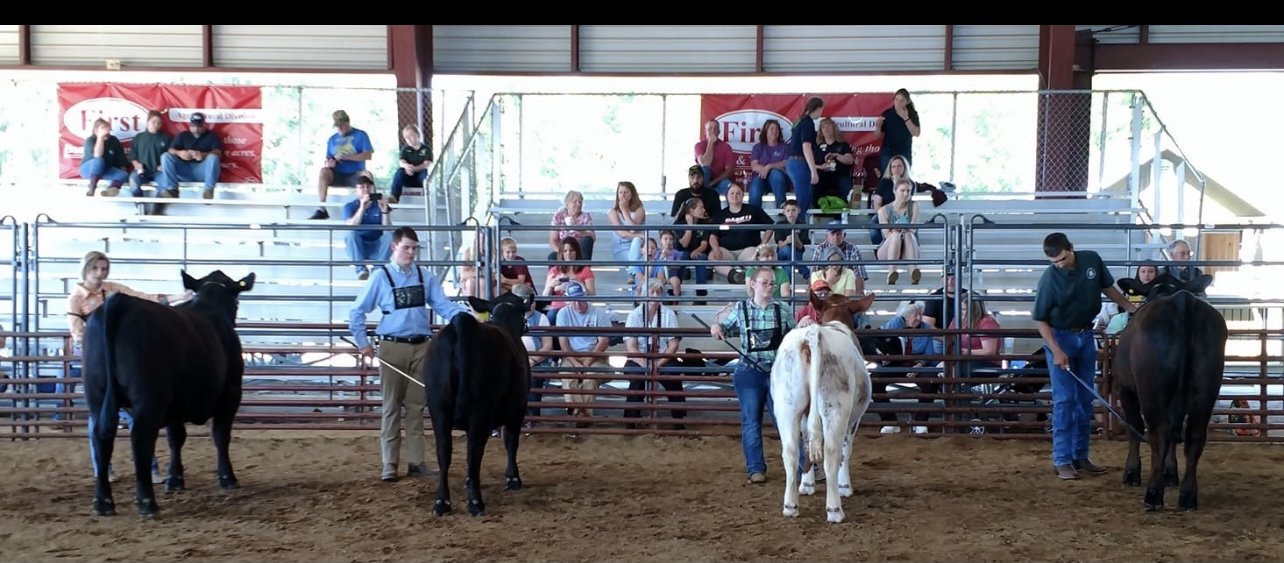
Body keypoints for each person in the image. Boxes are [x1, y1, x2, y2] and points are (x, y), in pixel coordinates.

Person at [348, 227, 469, 482]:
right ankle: (389, 463)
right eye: (407, 247)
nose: (412, 253)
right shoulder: (380, 277)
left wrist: (463, 318)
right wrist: (362, 342)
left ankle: (416, 461)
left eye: (415, 248)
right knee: (391, 405)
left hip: (421, 347)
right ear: (394, 247)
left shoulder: (426, 277)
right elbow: (357, 311)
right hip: (392, 347)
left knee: (416, 406)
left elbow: (443, 305)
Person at [67, 251, 191, 484]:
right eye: (96, 269)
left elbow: (142, 297)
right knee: (101, 417)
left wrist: (176, 298)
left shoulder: (112, 289)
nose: (100, 273)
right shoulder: (76, 298)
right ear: (86, 269)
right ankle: (103, 469)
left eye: (104, 269)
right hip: (96, 360)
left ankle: (148, 468)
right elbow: (78, 334)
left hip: (120, 359)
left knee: (137, 415)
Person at [1032, 232, 1136, 481]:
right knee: (1065, 399)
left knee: (1085, 398)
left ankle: (1080, 455)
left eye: (1063, 258)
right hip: (1059, 337)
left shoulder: (1091, 261)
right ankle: (1062, 459)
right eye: (1055, 261)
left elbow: (1107, 287)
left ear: (1071, 249)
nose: (1060, 264)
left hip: (1085, 334)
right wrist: (1056, 350)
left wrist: (1131, 307)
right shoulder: (1050, 279)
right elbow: (1040, 321)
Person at [711, 266, 806, 484]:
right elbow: (724, 329)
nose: (769, 287)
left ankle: (804, 466)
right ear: (753, 284)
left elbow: (793, 337)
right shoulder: (740, 308)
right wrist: (716, 327)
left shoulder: (782, 310)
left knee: (786, 421)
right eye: (765, 282)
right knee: (752, 421)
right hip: (749, 372)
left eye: (772, 283)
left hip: (776, 372)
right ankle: (755, 468)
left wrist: (802, 326)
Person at [622, 279, 694, 429]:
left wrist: (657, 363)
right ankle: (631, 419)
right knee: (636, 377)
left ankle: (678, 418)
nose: (655, 295)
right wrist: (645, 364)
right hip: (639, 357)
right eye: (651, 292)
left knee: (673, 375)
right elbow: (631, 346)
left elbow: (673, 345)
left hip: (663, 356)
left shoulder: (669, 314)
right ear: (643, 295)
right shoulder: (634, 315)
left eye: (658, 292)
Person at [555, 281, 614, 425]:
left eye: (580, 299)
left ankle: (577, 413)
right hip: (573, 356)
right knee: (570, 377)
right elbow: (563, 344)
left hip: (595, 356)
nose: (577, 303)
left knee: (587, 379)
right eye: (573, 300)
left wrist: (588, 361)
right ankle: (583, 414)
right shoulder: (563, 313)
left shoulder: (598, 313)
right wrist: (577, 363)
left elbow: (603, 342)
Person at [312, 110, 374, 220]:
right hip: (337, 174)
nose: (340, 129)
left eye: (342, 126)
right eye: (338, 127)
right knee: (323, 171)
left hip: (356, 174)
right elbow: (327, 159)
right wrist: (330, 163)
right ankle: (322, 208)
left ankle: (371, 206)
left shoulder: (361, 135)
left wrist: (349, 157)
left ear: (348, 123)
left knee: (367, 175)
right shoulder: (332, 139)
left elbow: (368, 155)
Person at [510, 284, 552, 427]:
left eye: (533, 301)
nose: (531, 304)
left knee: (533, 377)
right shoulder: (507, 317)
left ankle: (531, 418)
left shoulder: (541, 318)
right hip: (511, 360)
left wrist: (533, 359)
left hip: (535, 361)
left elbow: (547, 346)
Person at [157, 112, 223, 200]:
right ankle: (172, 190)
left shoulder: (212, 136)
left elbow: (218, 152)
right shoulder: (183, 135)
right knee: (166, 156)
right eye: (194, 126)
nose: (196, 129)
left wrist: (203, 155)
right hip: (184, 170)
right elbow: (171, 150)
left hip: (202, 171)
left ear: (204, 125)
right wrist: (180, 153)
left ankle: (208, 191)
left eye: (199, 126)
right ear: (190, 125)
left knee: (213, 158)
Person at [342, 172, 392, 280]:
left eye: (368, 187)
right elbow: (351, 226)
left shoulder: (378, 204)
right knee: (350, 233)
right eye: (362, 187)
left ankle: (377, 270)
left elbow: (387, 228)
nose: (365, 189)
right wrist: (362, 208)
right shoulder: (349, 206)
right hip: (359, 246)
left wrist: (384, 211)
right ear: (356, 189)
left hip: (377, 244)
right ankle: (361, 270)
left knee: (390, 236)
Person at [876, 178, 922, 285]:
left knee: (908, 234)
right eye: (902, 191)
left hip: (909, 247)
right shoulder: (883, 211)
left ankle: (913, 271)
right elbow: (886, 234)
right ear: (895, 191)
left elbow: (913, 229)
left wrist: (903, 228)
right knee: (895, 235)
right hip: (889, 248)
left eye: (908, 191)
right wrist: (896, 229)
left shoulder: (915, 206)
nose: (906, 194)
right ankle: (892, 272)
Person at [785, 96, 824, 212]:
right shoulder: (808, 123)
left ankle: (801, 228)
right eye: (821, 110)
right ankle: (800, 228)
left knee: (804, 197)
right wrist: (814, 171)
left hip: (794, 162)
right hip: (799, 163)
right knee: (803, 200)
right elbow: (806, 147)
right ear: (818, 108)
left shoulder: (799, 122)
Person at [122, 110, 171, 198]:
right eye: (154, 122)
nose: (156, 125)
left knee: (165, 188)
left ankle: (156, 209)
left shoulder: (165, 138)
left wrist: (164, 166)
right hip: (142, 171)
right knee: (133, 182)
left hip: (159, 172)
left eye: (159, 123)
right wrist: (136, 164)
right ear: (147, 122)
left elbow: (170, 155)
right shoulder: (139, 138)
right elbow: (132, 155)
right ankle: (141, 208)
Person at [607, 181, 647, 283]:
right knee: (637, 239)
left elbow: (633, 228)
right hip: (621, 249)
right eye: (620, 192)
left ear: (632, 194)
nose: (623, 195)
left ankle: (631, 273)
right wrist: (637, 235)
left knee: (637, 241)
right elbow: (622, 234)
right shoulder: (612, 212)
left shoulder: (639, 210)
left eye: (626, 192)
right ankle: (635, 273)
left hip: (639, 249)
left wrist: (624, 210)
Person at [875, 88, 921, 174]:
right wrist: (878, 126)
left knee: (903, 179)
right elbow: (878, 136)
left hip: (904, 151)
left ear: (907, 102)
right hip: (888, 151)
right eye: (896, 100)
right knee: (886, 179)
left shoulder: (912, 113)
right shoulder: (887, 114)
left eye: (901, 100)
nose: (898, 103)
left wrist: (905, 118)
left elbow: (916, 133)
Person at [747, 119, 791, 208]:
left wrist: (770, 166)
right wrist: (764, 169)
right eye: (771, 129)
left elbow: (786, 163)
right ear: (765, 132)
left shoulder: (785, 147)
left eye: (777, 129)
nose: (774, 131)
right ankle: (753, 216)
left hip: (780, 182)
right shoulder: (758, 147)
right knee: (755, 185)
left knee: (775, 173)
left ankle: (782, 209)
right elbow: (754, 165)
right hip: (761, 178)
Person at [79, 118, 129, 197]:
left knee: (124, 174)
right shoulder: (90, 140)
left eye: (108, 129)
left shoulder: (113, 140)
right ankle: (92, 187)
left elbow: (121, 160)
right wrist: (100, 138)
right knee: (99, 160)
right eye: (103, 128)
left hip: (105, 170)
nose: (107, 131)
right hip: (89, 170)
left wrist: (122, 176)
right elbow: (97, 155)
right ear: (96, 131)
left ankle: (111, 189)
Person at [814, 117, 855, 203]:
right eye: (823, 127)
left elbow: (850, 160)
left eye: (829, 126)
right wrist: (820, 167)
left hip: (840, 175)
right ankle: (817, 212)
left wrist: (836, 155)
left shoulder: (843, 145)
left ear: (834, 128)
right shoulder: (817, 147)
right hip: (823, 175)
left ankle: (843, 213)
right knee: (814, 184)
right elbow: (810, 164)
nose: (826, 129)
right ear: (821, 131)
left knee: (845, 184)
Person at [547, 190, 596, 261]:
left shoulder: (586, 216)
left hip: (579, 250)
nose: (578, 204)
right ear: (567, 204)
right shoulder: (558, 216)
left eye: (580, 202)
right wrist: (563, 253)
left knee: (587, 240)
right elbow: (552, 240)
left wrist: (577, 228)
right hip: (564, 250)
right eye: (575, 202)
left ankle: (584, 270)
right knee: (552, 257)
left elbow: (592, 237)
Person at [389, 124, 432, 204]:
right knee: (400, 171)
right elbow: (402, 162)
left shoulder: (426, 149)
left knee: (425, 173)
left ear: (418, 135)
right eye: (406, 137)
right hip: (409, 175)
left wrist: (415, 169)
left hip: (420, 176)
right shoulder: (405, 149)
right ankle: (394, 196)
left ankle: (428, 197)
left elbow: (427, 164)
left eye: (411, 136)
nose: (409, 139)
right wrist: (407, 167)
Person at [694, 119, 735, 195]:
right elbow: (705, 163)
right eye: (709, 128)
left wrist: (713, 182)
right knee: (705, 170)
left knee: (729, 186)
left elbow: (729, 171)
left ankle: (729, 207)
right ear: (705, 131)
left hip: (719, 181)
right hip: (703, 181)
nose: (712, 131)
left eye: (715, 128)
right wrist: (710, 143)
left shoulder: (726, 147)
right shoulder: (699, 146)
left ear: (719, 131)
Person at [772, 199, 811, 277]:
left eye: (793, 210)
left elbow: (801, 247)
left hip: (797, 254)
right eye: (788, 211)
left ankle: (789, 288)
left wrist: (795, 239)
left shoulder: (803, 225)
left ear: (798, 210)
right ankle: (805, 271)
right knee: (787, 249)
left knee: (788, 268)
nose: (791, 213)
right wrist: (787, 241)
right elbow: (780, 245)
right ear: (784, 212)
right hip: (782, 254)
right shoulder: (780, 225)